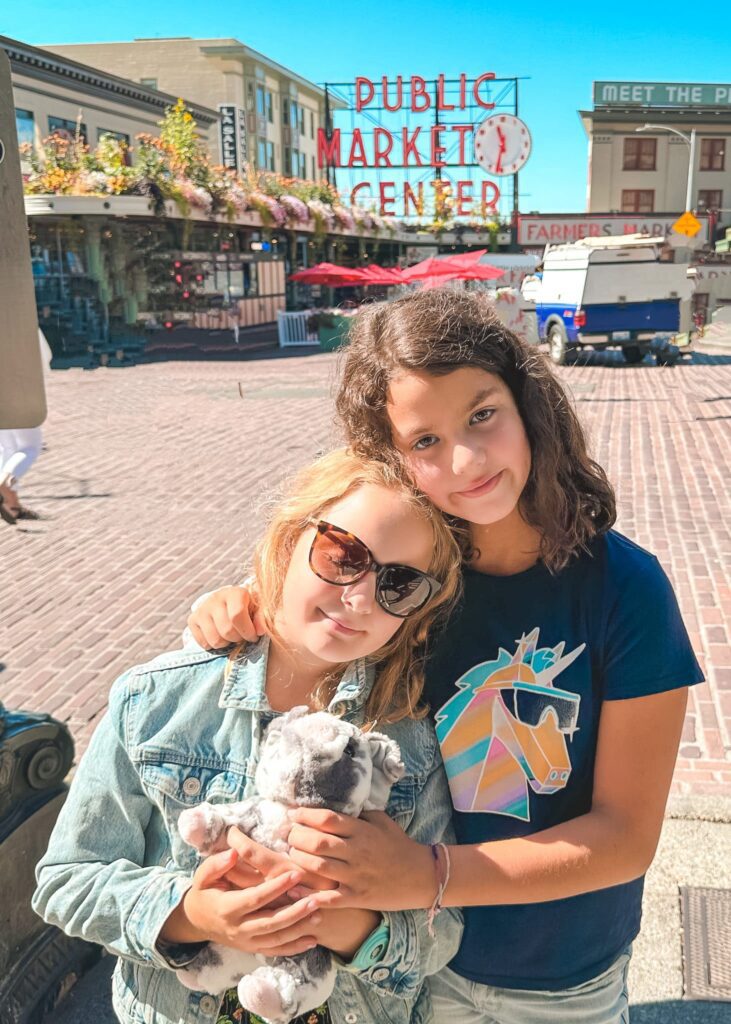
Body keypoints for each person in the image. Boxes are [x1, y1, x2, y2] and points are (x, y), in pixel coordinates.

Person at [188, 290, 703, 1024]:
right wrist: (243, 603)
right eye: (423, 440)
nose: (464, 459)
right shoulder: (396, 586)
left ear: (528, 404)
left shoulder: (626, 588)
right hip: (403, 968)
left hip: (561, 972)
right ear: (389, 457)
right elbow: (311, 609)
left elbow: (624, 838)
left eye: (482, 414)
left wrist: (427, 874)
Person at [33, 448, 463, 1024]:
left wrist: (347, 926)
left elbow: (443, 930)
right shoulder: (155, 701)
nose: (360, 598)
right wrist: (191, 916)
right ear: (288, 541)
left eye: (400, 585)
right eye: (343, 556)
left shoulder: (405, 737)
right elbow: (66, 878)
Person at [0, 329, 52, 524]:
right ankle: (6, 483)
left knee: (7, 447)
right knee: (30, 446)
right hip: (18, 385)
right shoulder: (17, 317)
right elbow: (40, 355)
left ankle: (12, 504)